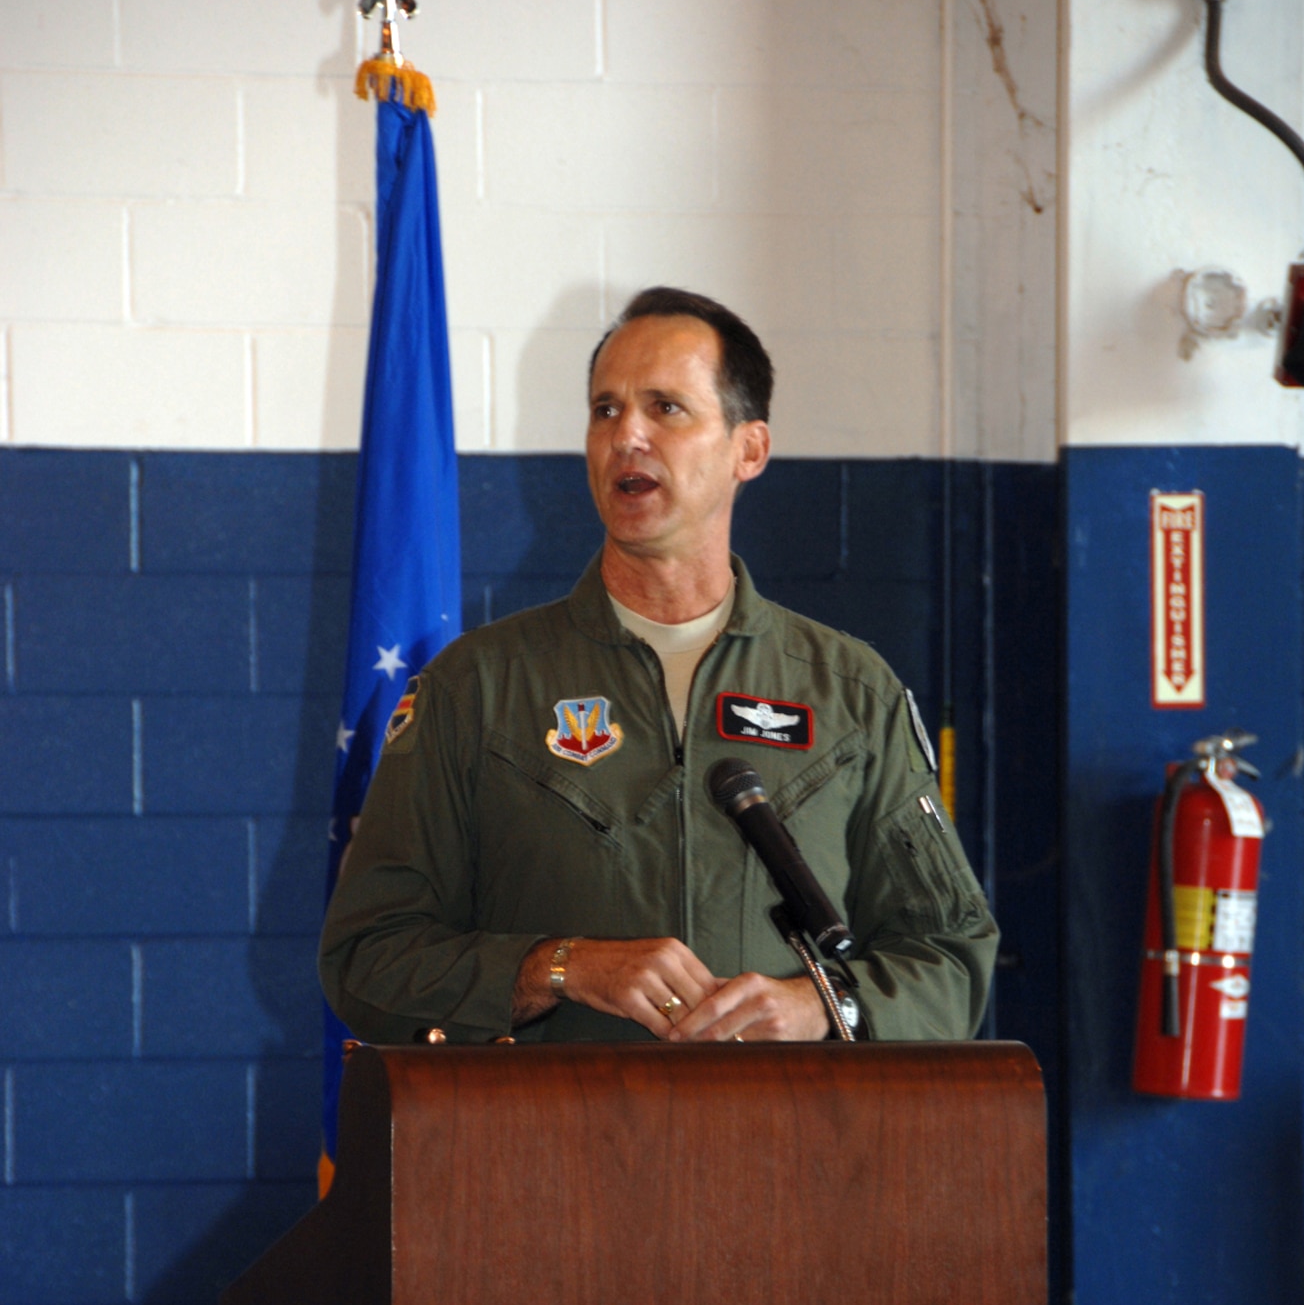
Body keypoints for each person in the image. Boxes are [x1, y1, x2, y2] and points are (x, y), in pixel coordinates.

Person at [320, 287, 997, 1047]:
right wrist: (558, 968)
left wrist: (821, 1008)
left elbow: (950, 953)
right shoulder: (476, 688)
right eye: (606, 410)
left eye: (665, 409)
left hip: (785, 1149)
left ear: (750, 449)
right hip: (542, 1153)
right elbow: (366, 959)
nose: (627, 436)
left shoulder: (850, 692)